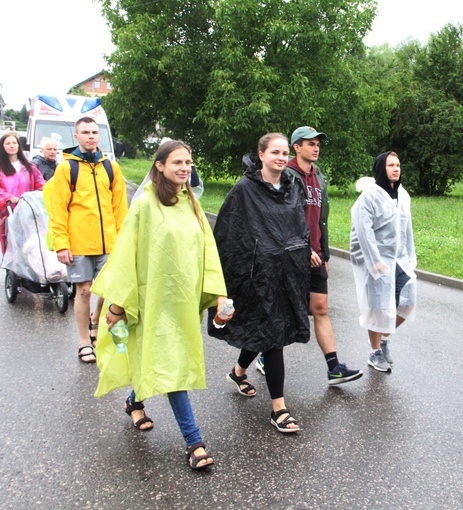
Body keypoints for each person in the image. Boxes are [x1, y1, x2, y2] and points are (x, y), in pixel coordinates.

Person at [91, 140, 228, 469]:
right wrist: (117, 307)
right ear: (160, 166)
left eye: (189, 162)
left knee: (157, 360)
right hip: (149, 302)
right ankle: (194, 443)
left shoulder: (191, 203)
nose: (185, 168)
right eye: (177, 162)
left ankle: (133, 401)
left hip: (180, 304)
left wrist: (219, 297)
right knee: (170, 368)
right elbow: (126, 255)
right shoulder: (145, 206)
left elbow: (207, 251)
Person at [209, 132, 311, 433]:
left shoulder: (293, 187)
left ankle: (238, 372)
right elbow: (229, 234)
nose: (280, 158)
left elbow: (299, 227)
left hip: (287, 273)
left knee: (266, 332)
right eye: (274, 152)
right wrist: (239, 272)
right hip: (257, 277)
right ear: (261, 155)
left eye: (283, 153)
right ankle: (278, 409)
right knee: (273, 337)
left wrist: (306, 255)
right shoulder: (244, 190)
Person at [253, 126, 362, 386]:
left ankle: (334, 367)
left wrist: (324, 252)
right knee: (284, 312)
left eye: (317, 144)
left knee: (321, 308)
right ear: (296, 147)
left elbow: (320, 219)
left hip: (315, 256)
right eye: (309, 143)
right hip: (292, 256)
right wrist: (305, 248)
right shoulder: (286, 175)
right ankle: (261, 357)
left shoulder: (319, 177)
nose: (315, 148)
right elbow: (285, 219)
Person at [47, 117, 128, 363]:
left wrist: (124, 240)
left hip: (110, 243)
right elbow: (58, 208)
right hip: (79, 242)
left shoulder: (110, 167)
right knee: (83, 292)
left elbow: (120, 207)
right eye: (85, 132)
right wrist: (61, 243)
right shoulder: (66, 168)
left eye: (94, 132)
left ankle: (106, 331)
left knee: (113, 291)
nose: (91, 136)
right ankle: (84, 341)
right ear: (76, 136)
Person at [349, 151, 417, 373]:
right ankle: (374, 351)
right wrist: (373, 260)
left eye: (398, 165)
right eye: (391, 165)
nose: (396, 169)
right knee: (378, 308)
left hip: (399, 259)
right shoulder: (369, 196)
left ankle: (384, 338)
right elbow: (363, 230)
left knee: (407, 302)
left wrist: (410, 254)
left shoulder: (403, 195)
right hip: (378, 259)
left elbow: (407, 227)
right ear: (381, 168)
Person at [0, 131, 45, 253]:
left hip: (28, 210)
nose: (11, 146)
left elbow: (40, 184)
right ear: (2, 147)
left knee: (29, 241)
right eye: (8, 143)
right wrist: (8, 197)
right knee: (10, 241)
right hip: (8, 212)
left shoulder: (29, 167)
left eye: (14, 143)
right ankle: (11, 268)